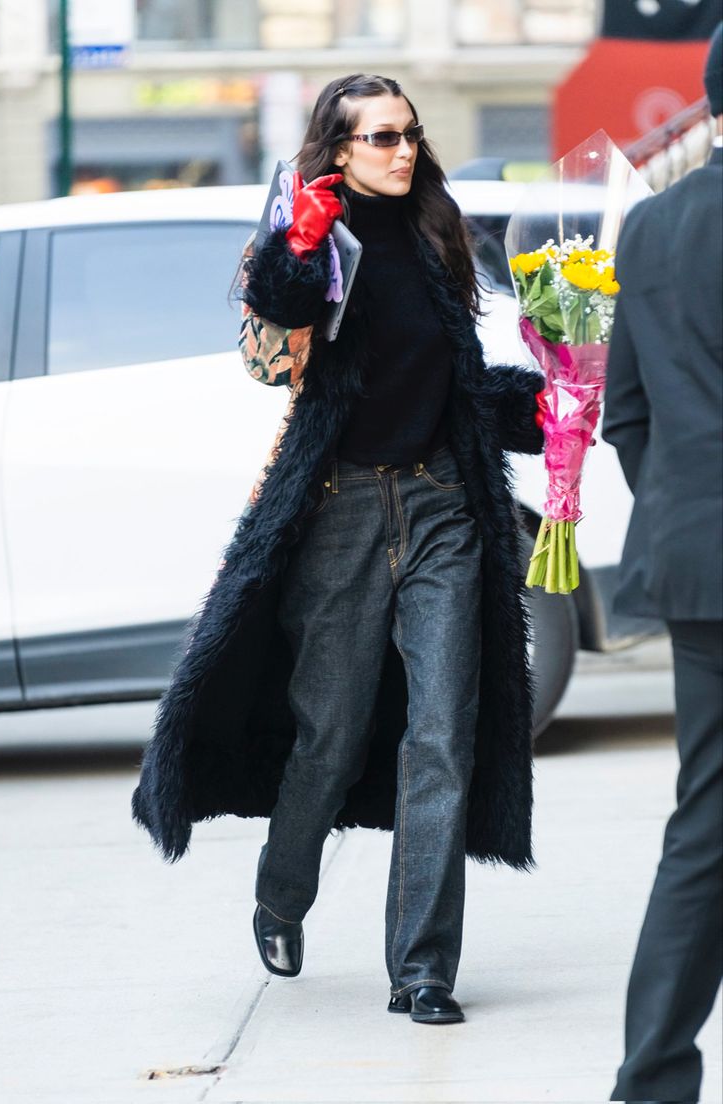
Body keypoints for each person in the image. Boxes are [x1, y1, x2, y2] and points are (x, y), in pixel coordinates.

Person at [132, 73, 546, 1025]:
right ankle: (283, 893)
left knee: (442, 733)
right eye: (381, 139)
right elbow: (267, 358)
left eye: (410, 135)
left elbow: (462, 382)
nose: (403, 152)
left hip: (443, 506)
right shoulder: (309, 240)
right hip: (342, 511)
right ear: (341, 148)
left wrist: (551, 403)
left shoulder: (441, 235)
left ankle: (424, 969)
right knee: (332, 730)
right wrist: (296, 249)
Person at [603, 23, 723, 1102]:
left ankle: (650, 1081)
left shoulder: (645, 229)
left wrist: (692, 518)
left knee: (705, 824)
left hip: (698, 569)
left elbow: (624, 415)